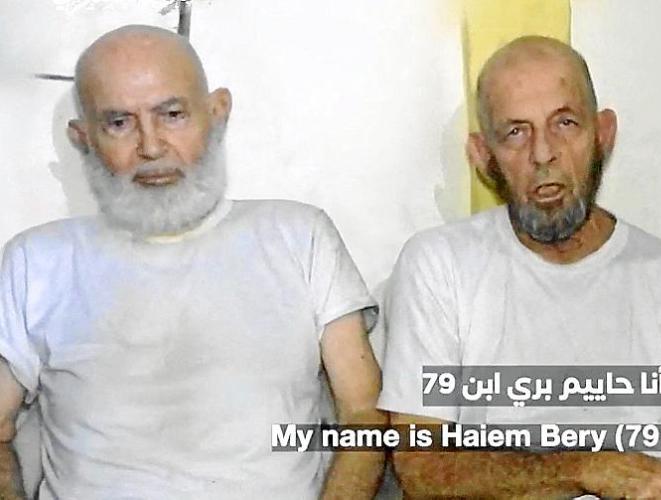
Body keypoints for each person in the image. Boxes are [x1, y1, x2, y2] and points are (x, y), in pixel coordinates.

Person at [0, 25, 386, 499]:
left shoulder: (298, 235)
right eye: (119, 123)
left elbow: (364, 414)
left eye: (172, 115)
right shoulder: (36, 261)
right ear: (84, 138)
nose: (151, 146)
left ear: (217, 112)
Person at [378, 35, 661, 499]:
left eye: (565, 123)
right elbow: (422, 469)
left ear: (603, 134)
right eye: (515, 132)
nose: (543, 154)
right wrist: (588, 469)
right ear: (483, 156)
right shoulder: (439, 266)